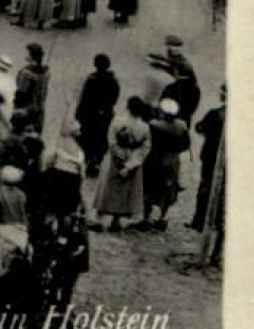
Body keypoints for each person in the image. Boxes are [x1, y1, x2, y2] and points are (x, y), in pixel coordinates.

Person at [94, 97, 151, 232]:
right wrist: (131, 163)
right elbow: (145, 147)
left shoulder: (118, 121)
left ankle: (99, 215)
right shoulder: (144, 127)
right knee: (124, 191)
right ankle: (116, 220)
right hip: (132, 157)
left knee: (108, 186)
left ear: (128, 107)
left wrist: (120, 159)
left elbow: (111, 141)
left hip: (115, 158)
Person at [141, 98, 190, 232]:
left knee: (149, 187)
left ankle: (146, 218)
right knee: (168, 189)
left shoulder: (154, 125)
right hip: (172, 160)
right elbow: (186, 145)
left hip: (155, 159)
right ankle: (162, 218)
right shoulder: (181, 126)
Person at [75, 54, 120, 177]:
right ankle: (97, 161)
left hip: (90, 115)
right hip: (105, 114)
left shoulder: (92, 80)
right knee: (102, 138)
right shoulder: (113, 81)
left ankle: (90, 161)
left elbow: (84, 99)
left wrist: (78, 115)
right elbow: (114, 99)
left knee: (89, 138)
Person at [191, 84, 226, 231]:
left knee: (206, 187)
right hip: (228, 161)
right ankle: (218, 221)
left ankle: (200, 221)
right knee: (223, 189)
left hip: (210, 157)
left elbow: (199, 127)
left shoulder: (214, 114)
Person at [13, 43, 51, 135]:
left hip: (27, 111)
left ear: (31, 56)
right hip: (40, 110)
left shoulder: (26, 73)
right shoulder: (46, 72)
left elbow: (21, 94)